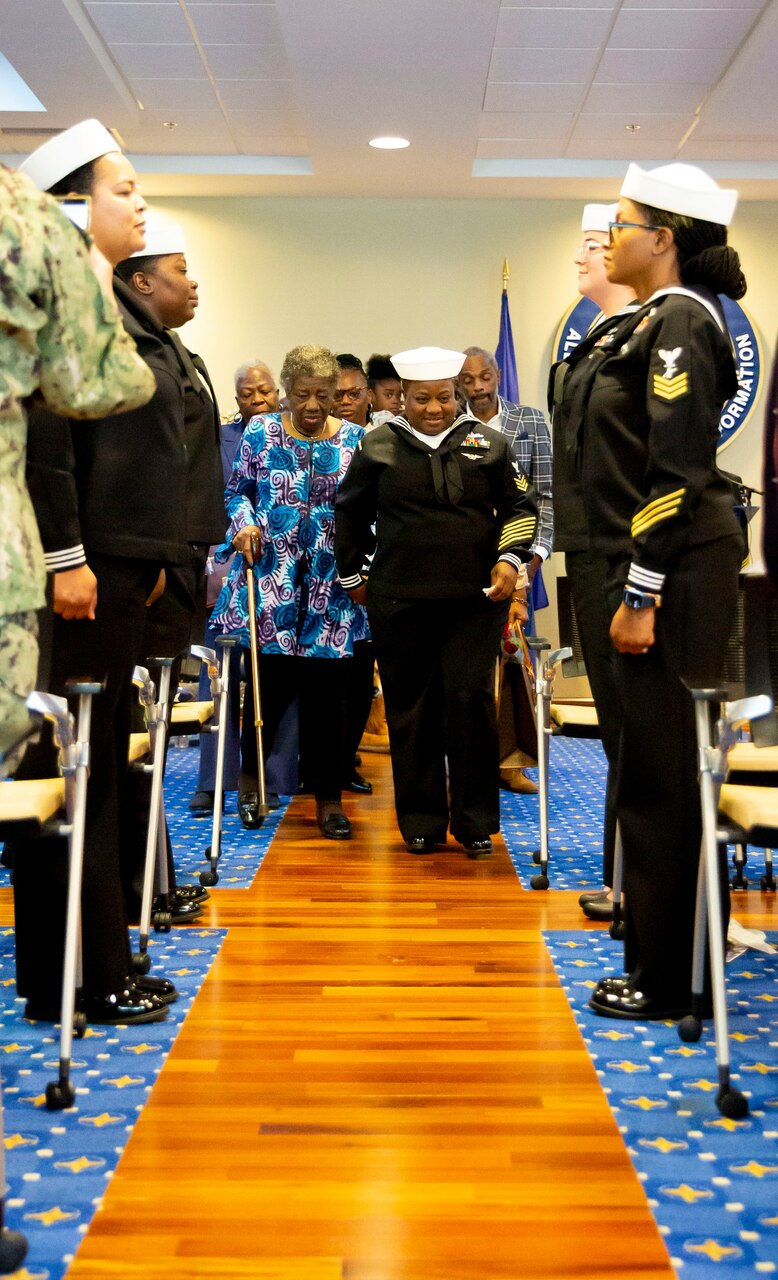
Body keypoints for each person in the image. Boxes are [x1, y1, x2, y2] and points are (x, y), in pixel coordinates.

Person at [12, 119, 189, 1024]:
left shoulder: (104, 300)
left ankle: (94, 962)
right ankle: (73, 974)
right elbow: (48, 440)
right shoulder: (61, 296)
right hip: (78, 574)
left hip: (118, 569)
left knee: (99, 763)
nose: (141, 202)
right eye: (125, 189)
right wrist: (69, 558)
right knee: (72, 765)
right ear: (75, 205)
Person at [573, 163, 745, 1020]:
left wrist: (640, 594)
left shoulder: (678, 321)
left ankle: (672, 975)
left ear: (664, 239)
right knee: (648, 768)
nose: (608, 235)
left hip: (670, 570)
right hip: (642, 561)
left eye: (623, 221)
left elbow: (674, 471)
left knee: (663, 778)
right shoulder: (645, 321)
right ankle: (662, 954)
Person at [335, 346, 538, 857]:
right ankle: (421, 822)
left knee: (470, 705)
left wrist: (511, 560)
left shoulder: (488, 443)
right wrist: (352, 575)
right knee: (412, 709)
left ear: (458, 394)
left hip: (475, 601)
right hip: (400, 602)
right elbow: (349, 514)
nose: (434, 408)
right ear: (402, 397)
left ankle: (474, 823)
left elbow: (520, 506)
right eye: (422, 399)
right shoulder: (377, 445)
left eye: (445, 398)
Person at [0, 161, 155, 758]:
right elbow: (103, 387)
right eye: (124, 190)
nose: (139, 203)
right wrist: (89, 272)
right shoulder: (27, 222)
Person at [113, 216, 225, 922]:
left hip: (182, 555)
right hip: (152, 560)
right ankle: (135, 884)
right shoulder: (126, 349)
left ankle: (152, 876)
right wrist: (153, 554)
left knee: (149, 728)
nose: (194, 281)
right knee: (135, 728)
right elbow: (133, 470)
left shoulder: (176, 350)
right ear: (141, 280)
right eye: (182, 268)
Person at [211, 345, 368, 839]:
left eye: (324, 395)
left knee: (330, 701)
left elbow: (371, 512)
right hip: (271, 582)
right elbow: (236, 492)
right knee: (267, 692)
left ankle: (328, 799)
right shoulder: (261, 432)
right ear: (286, 392)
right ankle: (251, 779)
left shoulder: (358, 442)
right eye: (302, 395)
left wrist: (365, 566)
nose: (314, 405)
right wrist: (243, 524)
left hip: (333, 587)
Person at [549, 205, 638, 922]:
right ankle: (624, 877)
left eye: (591, 246)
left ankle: (642, 884)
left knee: (637, 731)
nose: (578, 257)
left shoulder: (651, 335)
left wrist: (641, 581)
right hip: (587, 553)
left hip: (623, 556)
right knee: (618, 731)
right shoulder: (597, 342)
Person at [457, 345, 553, 795]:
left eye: (484, 377)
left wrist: (529, 560)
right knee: (468, 665)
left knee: (512, 659)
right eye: (468, 380)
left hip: (521, 558)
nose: (477, 387)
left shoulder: (531, 421)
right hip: (467, 561)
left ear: (497, 375)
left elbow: (547, 497)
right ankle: (467, 761)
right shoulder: (453, 425)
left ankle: (512, 763)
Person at [189, 361, 283, 816]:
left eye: (265, 391)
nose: (259, 399)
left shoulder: (292, 437)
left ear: (278, 391)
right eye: (249, 394)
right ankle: (213, 781)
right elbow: (211, 499)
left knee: (275, 682)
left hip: (279, 578)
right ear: (238, 399)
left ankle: (271, 775)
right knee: (218, 681)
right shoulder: (218, 440)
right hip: (226, 575)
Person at [366, 353, 403, 429]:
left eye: (398, 395)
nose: (396, 401)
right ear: (370, 395)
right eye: (389, 395)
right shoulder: (386, 419)